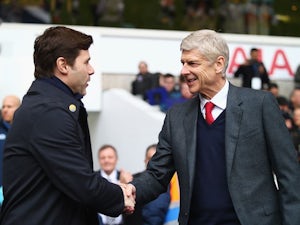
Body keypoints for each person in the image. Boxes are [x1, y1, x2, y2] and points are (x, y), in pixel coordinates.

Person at [131, 29, 300, 225]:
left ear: (219, 64)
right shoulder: (176, 117)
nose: (184, 71)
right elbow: (156, 175)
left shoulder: (260, 105)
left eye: (192, 63)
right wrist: (126, 191)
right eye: (183, 63)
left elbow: (289, 176)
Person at [0, 26, 135, 225]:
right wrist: (120, 195)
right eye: (86, 62)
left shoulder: (51, 106)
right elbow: (81, 182)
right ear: (63, 65)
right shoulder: (48, 113)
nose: (91, 69)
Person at [123, 144, 170, 225]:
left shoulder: (169, 181)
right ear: (145, 160)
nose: (152, 162)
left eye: (155, 159)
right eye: (149, 158)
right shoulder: (133, 181)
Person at [97, 144, 132, 225]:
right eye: (103, 158)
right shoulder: (93, 179)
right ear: (99, 160)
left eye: (110, 157)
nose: (106, 160)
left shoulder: (125, 178)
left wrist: (124, 184)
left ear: (116, 159)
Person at [0, 95, 21, 205]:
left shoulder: (25, 131)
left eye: (9, 106)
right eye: (3, 107)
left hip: (17, 190)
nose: (5, 110)